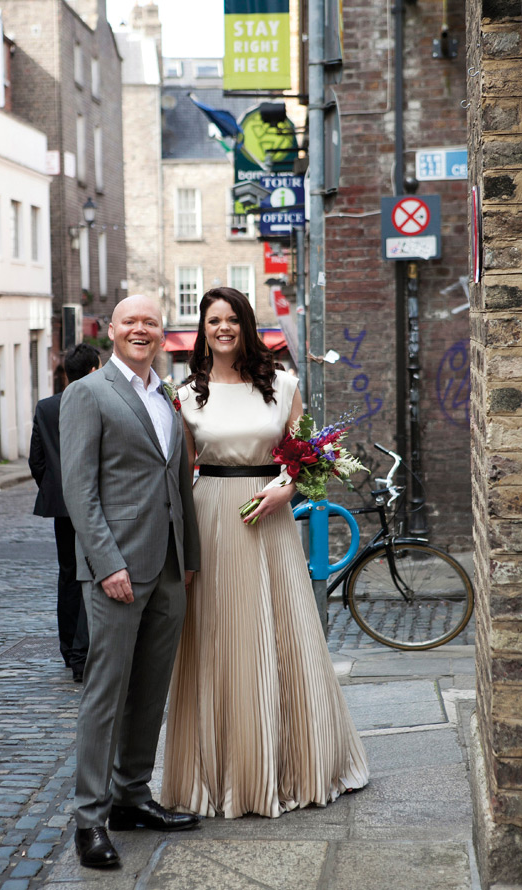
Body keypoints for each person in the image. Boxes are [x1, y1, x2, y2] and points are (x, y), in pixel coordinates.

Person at [161, 287, 369, 819]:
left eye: (233, 319)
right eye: (213, 321)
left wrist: (287, 489)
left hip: (271, 517)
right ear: (201, 330)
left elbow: (308, 459)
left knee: (284, 629)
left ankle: (296, 762)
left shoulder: (282, 383)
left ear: (247, 325)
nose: (223, 328)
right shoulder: (183, 395)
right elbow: (183, 475)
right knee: (218, 635)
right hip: (211, 517)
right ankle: (223, 770)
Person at [59, 295, 201, 869]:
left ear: (162, 334)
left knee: (150, 688)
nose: (141, 329)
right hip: (117, 568)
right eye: (131, 322)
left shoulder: (165, 395)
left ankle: (133, 797)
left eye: (151, 322)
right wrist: (107, 563)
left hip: (168, 566)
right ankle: (90, 819)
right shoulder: (87, 393)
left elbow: (177, 483)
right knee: (105, 693)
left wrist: (188, 554)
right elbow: (79, 489)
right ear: (111, 330)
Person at [28, 342, 101, 682]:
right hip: (96, 502)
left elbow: (37, 461)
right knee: (97, 572)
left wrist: (56, 488)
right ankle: (85, 653)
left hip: (62, 507)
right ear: (92, 371)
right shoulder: (98, 400)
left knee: (69, 575)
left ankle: (69, 649)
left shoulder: (46, 407)